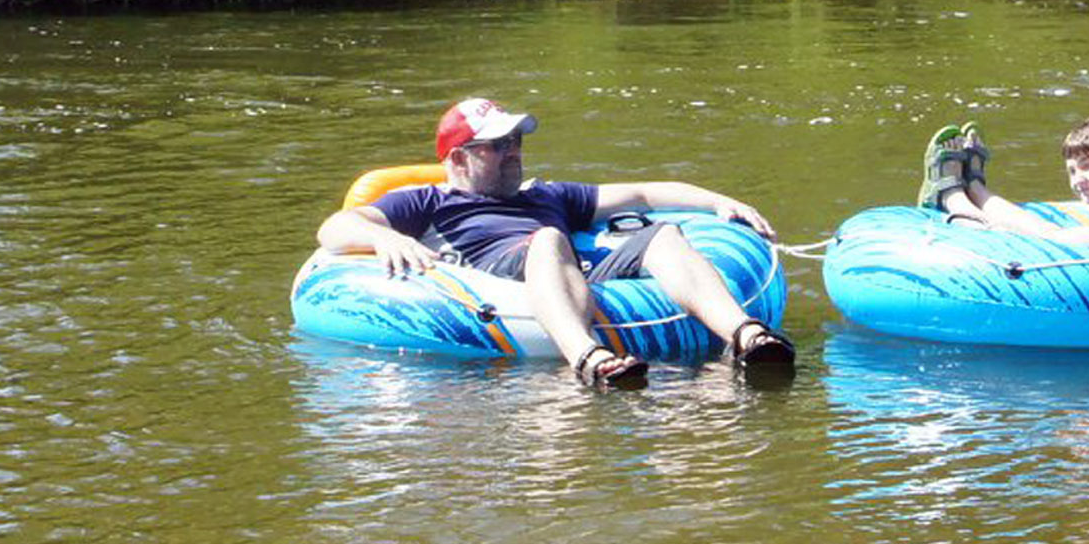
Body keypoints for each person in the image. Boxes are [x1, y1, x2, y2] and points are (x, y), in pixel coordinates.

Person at [316, 98, 795, 388]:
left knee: (663, 235)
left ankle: (747, 336)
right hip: (502, 272)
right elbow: (334, 229)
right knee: (547, 239)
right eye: (498, 145)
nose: (513, 152)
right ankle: (587, 357)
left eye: (517, 141)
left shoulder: (546, 194)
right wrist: (381, 238)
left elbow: (644, 193)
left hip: (573, 266)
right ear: (459, 158)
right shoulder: (427, 200)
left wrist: (719, 203)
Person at [916, 116, 1089, 246]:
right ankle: (974, 187)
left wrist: (1045, 239)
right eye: (1072, 171)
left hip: (1058, 247)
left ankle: (955, 198)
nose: (1077, 180)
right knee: (1042, 227)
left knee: (1019, 231)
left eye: (1087, 166)